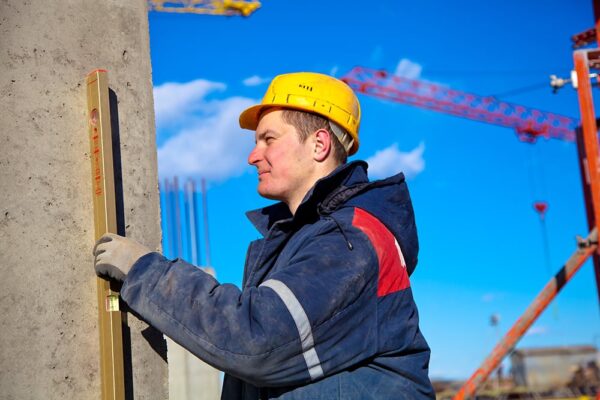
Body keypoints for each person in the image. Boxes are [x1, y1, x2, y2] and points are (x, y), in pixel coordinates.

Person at [94, 72, 435, 399]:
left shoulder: (351, 239)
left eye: (268, 139)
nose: (252, 156)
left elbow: (257, 337)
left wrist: (146, 271)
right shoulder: (311, 238)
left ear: (319, 144)